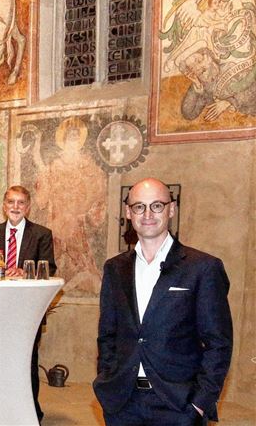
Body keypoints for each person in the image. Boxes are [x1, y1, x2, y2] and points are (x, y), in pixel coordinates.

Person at [94, 178, 233, 425]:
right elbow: (108, 334)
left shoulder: (202, 268)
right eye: (139, 206)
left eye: (157, 205)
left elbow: (218, 344)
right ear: (128, 212)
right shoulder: (115, 268)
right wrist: (107, 381)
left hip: (178, 405)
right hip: (122, 403)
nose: (147, 214)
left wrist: (199, 404)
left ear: (171, 209)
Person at [0, 185, 55, 422]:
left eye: (21, 203)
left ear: (28, 207)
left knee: (26, 363)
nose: (15, 207)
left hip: (27, 312)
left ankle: (30, 412)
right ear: (4, 205)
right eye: (11, 202)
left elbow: (50, 268)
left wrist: (25, 271)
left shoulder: (41, 233)